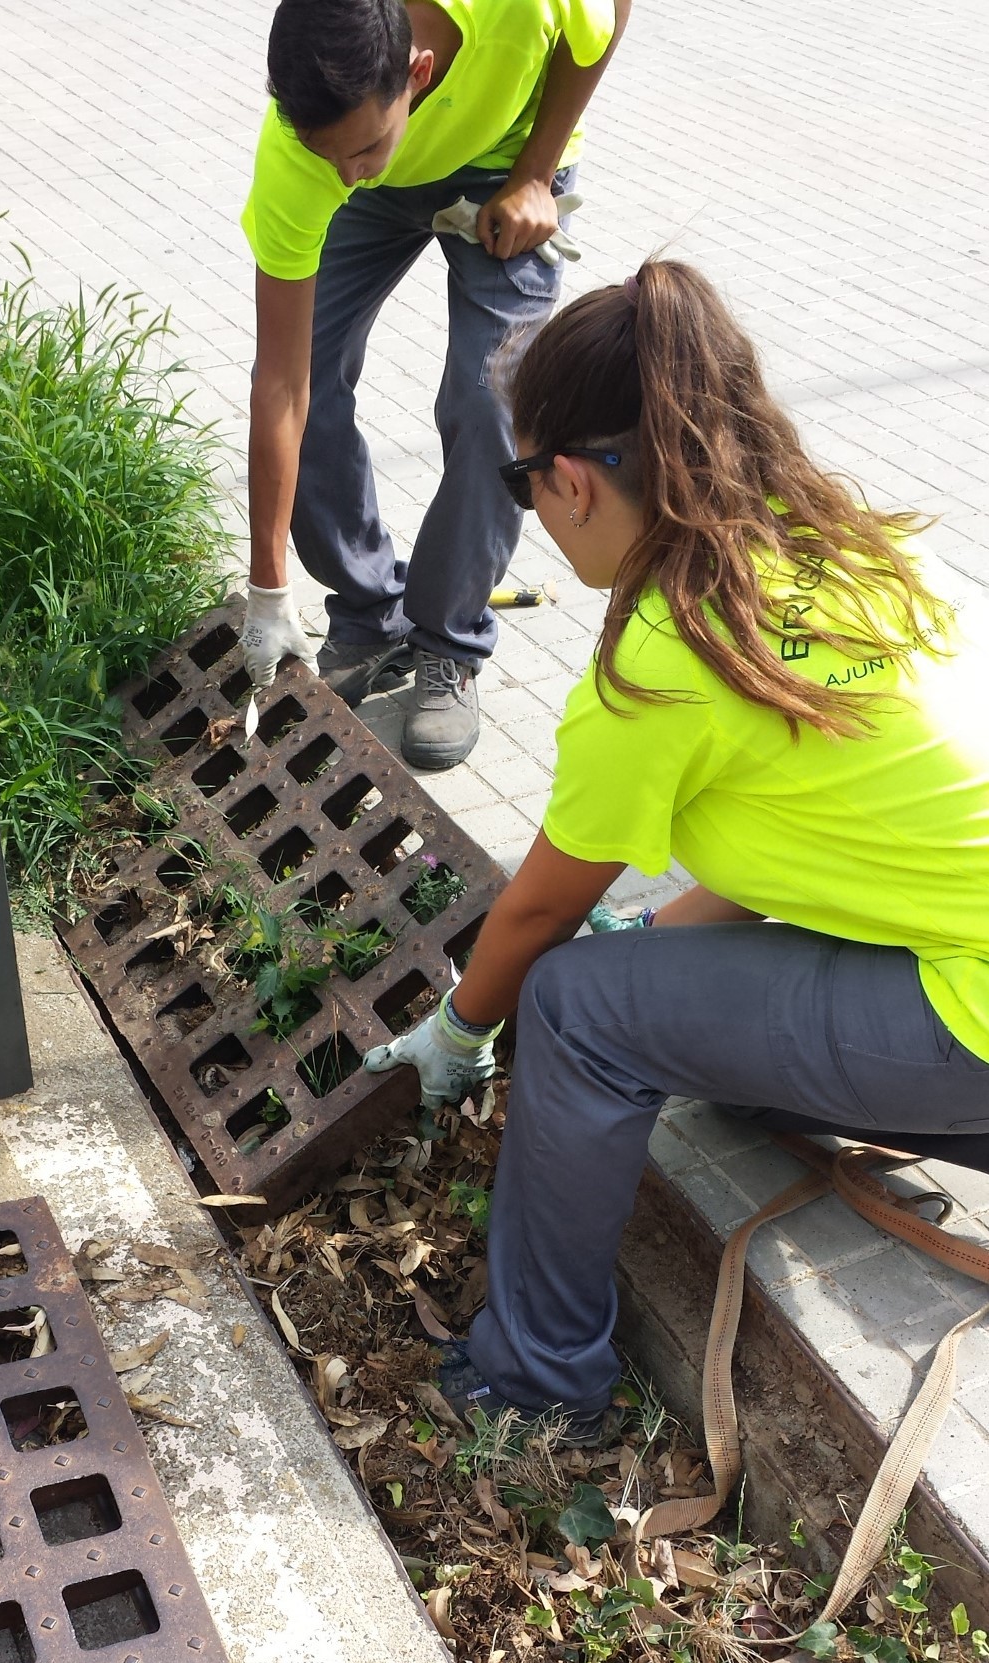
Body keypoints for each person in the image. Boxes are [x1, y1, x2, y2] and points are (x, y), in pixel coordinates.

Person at [364, 258, 989, 1441]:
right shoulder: (844, 543)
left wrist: (459, 1031)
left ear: (567, 482)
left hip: (972, 1008)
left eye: (524, 488)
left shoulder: (665, 657)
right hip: (962, 955)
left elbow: (539, 922)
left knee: (581, 1011)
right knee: (635, 986)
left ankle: (537, 1383)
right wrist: (656, 938)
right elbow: (811, 842)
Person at [239, 0, 630, 770]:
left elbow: (609, 18)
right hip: (390, 164)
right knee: (311, 374)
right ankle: (366, 611)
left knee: (494, 401)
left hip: (507, 158)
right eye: (329, 159)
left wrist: (536, 176)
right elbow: (280, 382)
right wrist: (266, 591)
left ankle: (448, 642)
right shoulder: (309, 154)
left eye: (358, 151)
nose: (342, 176)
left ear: (418, 73)